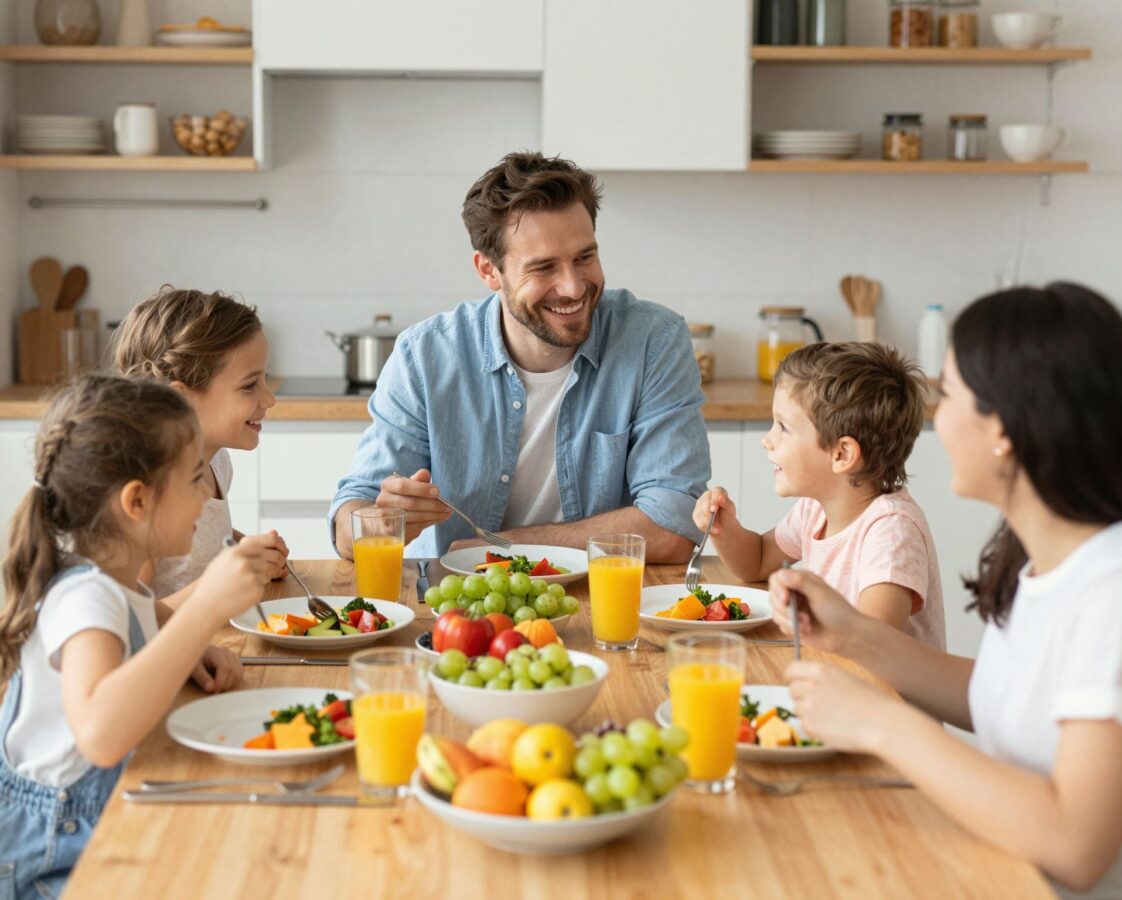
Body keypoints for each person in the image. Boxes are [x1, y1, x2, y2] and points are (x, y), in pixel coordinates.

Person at [771, 284, 1122, 897]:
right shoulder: (1050, 557)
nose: (933, 418)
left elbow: (1076, 845)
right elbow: (1001, 698)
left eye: (948, 395)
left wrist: (880, 724)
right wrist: (852, 634)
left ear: (1006, 427)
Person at [330, 151, 710, 561]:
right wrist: (381, 521)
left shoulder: (654, 340)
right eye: (543, 268)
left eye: (585, 257)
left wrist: (501, 549)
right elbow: (348, 525)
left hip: (598, 602)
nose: (573, 287)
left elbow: (675, 526)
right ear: (489, 271)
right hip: (458, 608)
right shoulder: (425, 356)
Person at [0, 375, 276, 899]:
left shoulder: (117, 584)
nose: (206, 494)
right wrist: (207, 609)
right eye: (195, 478)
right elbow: (101, 734)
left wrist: (188, 652)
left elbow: (124, 662)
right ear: (136, 502)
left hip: (93, 827)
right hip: (55, 860)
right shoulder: (87, 597)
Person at [694, 342, 944, 647]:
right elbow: (757, 561)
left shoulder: (891, 532)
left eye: (783, 427)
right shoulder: (815, 511)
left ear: (842, 453)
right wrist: (724, 529)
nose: (767, 440)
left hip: (882, 693)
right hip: (832, 680)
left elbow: (874, 645)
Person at [114, 287, 289, 603]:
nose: (269, 398)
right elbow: (130, 621)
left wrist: (247, 551)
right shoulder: (146, 492)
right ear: (181, 397)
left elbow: (204, 545)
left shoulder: (215, 460)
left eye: (265, 379)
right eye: (250, 385)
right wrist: (224, 581)